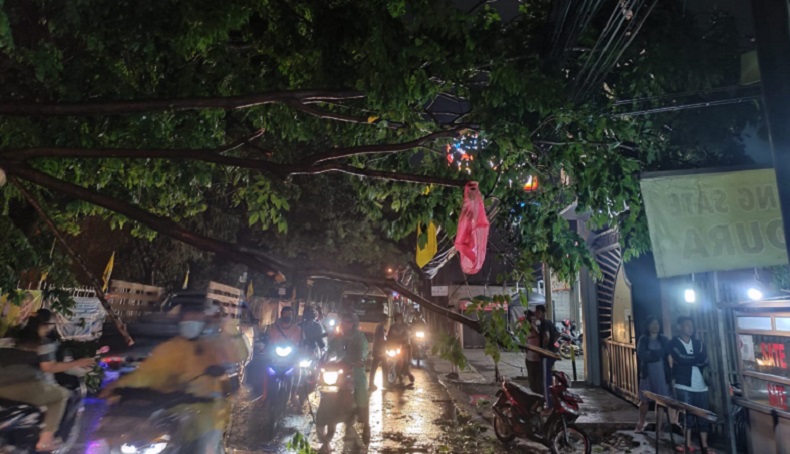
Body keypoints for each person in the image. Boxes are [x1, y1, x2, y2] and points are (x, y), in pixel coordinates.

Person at [107, 306, 248, 453]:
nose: (191, 321)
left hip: (208, 417)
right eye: (188, 316)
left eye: (196, 317)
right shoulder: (171, 347)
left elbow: (239, 354)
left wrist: (229, 327)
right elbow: (147, 373)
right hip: (172, 412)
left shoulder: (213, 344)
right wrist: (118, 385)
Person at [0, 310, 94, 452]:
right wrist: (78, 363)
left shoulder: (9, 337)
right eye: (52, 325)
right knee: (61, 396)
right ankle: (46, 440)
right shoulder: (41, 343)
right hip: (21, 387)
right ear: (47, 325)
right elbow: (49, 367)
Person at [669, 316, 715, 454]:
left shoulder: (698, 343)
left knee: (703, 415)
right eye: (687, 325)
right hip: (683, 384)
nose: (690, 328)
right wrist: (693, 359)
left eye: (692, 325)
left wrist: (687, 360)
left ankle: (704, 446)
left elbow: (705, 360)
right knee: (686, 415)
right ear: (680, 327)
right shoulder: (673, 343)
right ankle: (687, 443)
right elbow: (679, 357)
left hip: (701, 385)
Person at [330, 312, 370, 445]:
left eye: (348, 322)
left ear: (354, 324)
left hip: (355, 369)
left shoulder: (359, 337)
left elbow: (364, 350)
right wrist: (328, 360)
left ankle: (366, 424)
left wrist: (361, 360)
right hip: (340, 368)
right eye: (344, 322)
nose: (345, 324)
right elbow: (331, 351)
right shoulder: (337, 338)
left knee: (361, 392)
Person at [635, 315, 671, 433]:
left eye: (657, 324)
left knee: (661, 401)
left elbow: (666, 352)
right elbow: (642, 355)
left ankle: (659, 428)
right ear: (648, 326)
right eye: (652, 324)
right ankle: (641, 422)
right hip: (647, 373)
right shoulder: (643, 339)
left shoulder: (664, 339)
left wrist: (651, 353)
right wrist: (657, 354)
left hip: (661, 373)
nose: (655, 326)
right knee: (644, 400)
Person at [535, 304, 559, 410]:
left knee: (546, 381)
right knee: (548, 379)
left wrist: (545, 348)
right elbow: (557, 334)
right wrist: (552, 346)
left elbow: (547, 336)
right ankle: (551, 402)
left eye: (538, 312)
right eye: (536, 312)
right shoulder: (549, 322)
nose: (536, 314)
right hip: (551, 355)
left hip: (546, 356)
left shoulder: (544, 323)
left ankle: (549, 405)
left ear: (543, 313)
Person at [387, 312, 415, 384]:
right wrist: (388, 344)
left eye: (400, 318)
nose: (399, 320)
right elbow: (389, 337)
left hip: (403, 347)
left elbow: (407, 336)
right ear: (395, 319)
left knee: (405, 361)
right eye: (397, 318)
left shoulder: (405, 326)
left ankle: (408, 373)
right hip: (394, 347)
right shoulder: (392, 327)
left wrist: (404, 344)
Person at [524, 310, 543, 394]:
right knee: (532, 382)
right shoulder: (526, 330)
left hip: (538, 359)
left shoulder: (538, 327)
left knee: (538, 382)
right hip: (530, 359)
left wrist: (533, 324)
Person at [368, 322, 387, 391]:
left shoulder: (379, 328)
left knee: (374, 368)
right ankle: (384, 383)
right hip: (380, 352)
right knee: (383, 367)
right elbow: (381, 341)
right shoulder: (380, 328)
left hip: (378, 351)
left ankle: (372, 383)